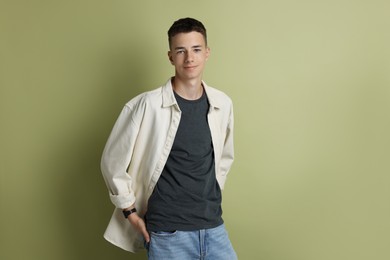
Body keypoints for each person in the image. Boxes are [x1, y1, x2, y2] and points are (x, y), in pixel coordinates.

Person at [101, 17, 237, 259]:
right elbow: (112, 161)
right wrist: (130, 213)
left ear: (207, 53)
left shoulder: (222, 103)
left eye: (196, 49)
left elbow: (224, 159)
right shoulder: (146, 105)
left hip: (213, 227)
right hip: (168, 233)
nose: (189, 58)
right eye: (181, 51)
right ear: (170, 56)